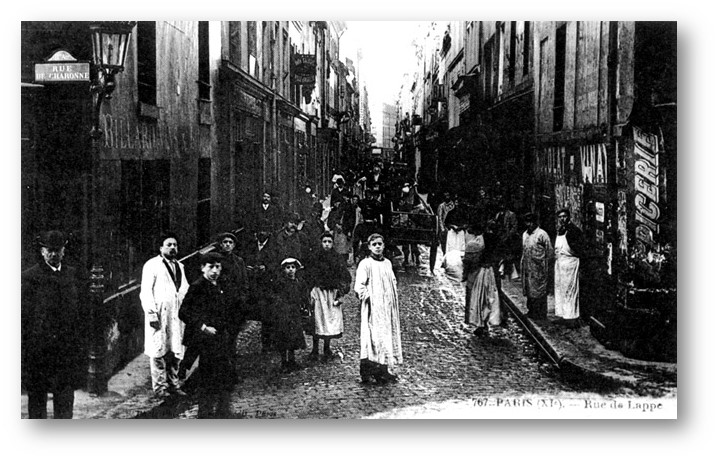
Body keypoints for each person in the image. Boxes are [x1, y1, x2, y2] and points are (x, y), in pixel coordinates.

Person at [22, 230, 89, 419]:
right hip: (39, 351)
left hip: (65, 350)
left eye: (57, 250)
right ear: (42, 252)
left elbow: (80, 313)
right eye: (49, 250)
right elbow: (24, 318)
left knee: (65, 397)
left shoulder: (72, 275)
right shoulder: (30, 277)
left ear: (63, 251)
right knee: (37, 398)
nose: (53, 254)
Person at [179, 252, 240, 418]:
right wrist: (203, 327)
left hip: (221, 337)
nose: (215, 271)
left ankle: (223, 411)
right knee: (208, 376)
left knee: (225, 374)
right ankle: (205, 413)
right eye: (211, 267)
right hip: (205, 339)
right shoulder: (197, 287)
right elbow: (184, 312)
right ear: (202, 268)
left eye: (218, 267)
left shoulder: (221, 285)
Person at [139, 232, 190, 399]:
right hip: (159, 316)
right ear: (161, 248)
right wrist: (152, 313)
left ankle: (173, 384)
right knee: (158, 352)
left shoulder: (180, 267)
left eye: (175, 245)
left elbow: (184, 289)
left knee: (176, 351)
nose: (173, 247)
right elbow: (145, 291)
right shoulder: (152, 265)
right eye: (169, 244)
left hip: (176, 316)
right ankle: (160, 387)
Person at [354, 234, 403, 384]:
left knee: (385, 337)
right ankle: (368, 371)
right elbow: (359, 285)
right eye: (374, 244)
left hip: (387, 308)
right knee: (372, 337)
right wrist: (367, 297)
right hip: (373, 307)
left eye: (380, 244)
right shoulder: (365, 264)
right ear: (369, 246)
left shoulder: (387, 263)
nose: (377, 247)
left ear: (384, 246)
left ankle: (383, 369)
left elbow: (392, 281)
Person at [306, 232, 352, 362]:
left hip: (331, 293)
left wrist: (341, 290)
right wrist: (310, 290)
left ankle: (327, 348)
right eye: (324, 242)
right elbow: (308, 274)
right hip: (318, 292)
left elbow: (345, 276)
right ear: (321, 243)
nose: (327, 244)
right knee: (317, 319)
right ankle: (315, 349)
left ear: (333, 244)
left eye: (329, 242)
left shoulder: (337, 258)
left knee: (329, 320)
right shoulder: (314, 257)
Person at [266, 258, 309, 372]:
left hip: (294, 313)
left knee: (294, 336)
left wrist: (304, 305)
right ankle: (284, 362)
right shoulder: (280, 283)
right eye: (288, 267)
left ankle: (292, 360)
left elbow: (304, 295)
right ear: (284, 270)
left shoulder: (299, 282)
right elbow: (272, 295)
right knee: (283, 336)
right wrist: (279, 304)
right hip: (283, 313)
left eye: (293, 267)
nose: (290, 270)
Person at [462, 222, 502, 337]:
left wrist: (465, 274)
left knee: (478, 298)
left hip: (479, 274)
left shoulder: (476, 243)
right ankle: (486, 323)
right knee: (489, 299)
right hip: (491, 273)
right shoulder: (495, 242)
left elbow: (469, 262)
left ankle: (481, 324)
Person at [243, 227, 279, 351]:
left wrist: (267, 268)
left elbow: (277, 264)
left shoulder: (274, 247)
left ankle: (267, 343)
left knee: (267, 315)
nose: (261, 234)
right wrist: (248, 267)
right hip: (253, 285)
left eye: (264, 231)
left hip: (267, 286)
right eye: (259, 232)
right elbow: (244, 259)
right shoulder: (250, 246)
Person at [554, 208, 585, 328]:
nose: (562, 219)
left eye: (564, 216)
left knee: (570, 291)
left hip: (570, 263)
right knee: (560, 289)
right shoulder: (561, 230)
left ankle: (571, 318)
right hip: (560, 262)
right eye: (560, 217)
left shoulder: (574, 231)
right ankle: (563, 315)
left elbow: (580, 247)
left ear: (568, 217)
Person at [520, 213, 553, 321]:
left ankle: (541, 313)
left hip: (539, 267)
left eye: (531, 222)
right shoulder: (525, 234)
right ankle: (531, 311)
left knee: (540, 290)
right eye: (527, 222)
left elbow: (549, 251)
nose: (529, 225)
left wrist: (546, 265)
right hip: (528, 266)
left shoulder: (542, 234)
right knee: (529, 289)